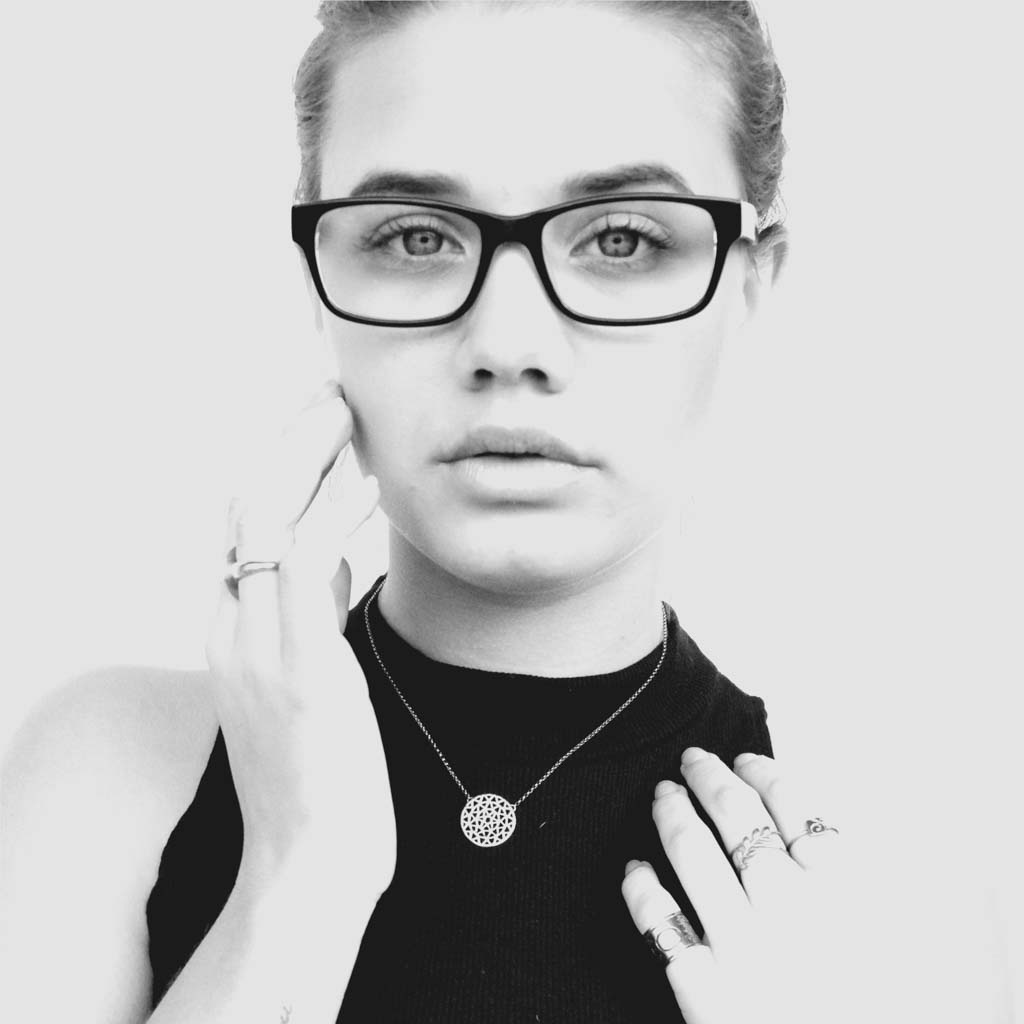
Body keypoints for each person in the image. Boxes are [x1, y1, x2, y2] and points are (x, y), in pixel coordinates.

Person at [1, 3, 851, 1023]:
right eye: (414, 237)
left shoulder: (856, 856)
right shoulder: (110, 768)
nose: (508, 339)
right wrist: (297, 873)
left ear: (749, 280)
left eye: (621, 239)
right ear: (318, 281)